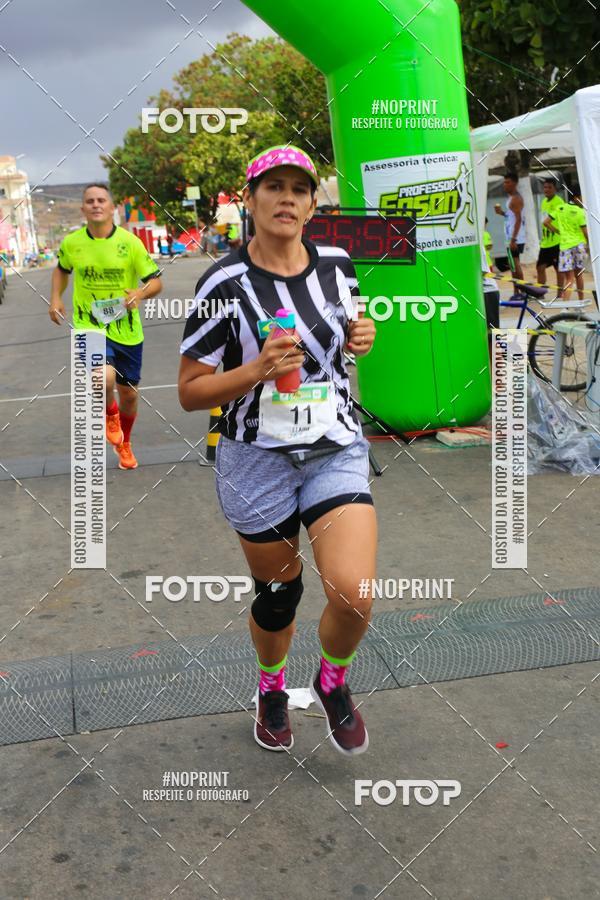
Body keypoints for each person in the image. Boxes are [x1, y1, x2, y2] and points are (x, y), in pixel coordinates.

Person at [179, 145, 377, 756]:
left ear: (314, 204)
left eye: (300, 188)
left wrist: (360, 339)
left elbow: (346, 339)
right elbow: (190, 391)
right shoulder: (224, 283)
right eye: (274, 187)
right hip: (255, 460)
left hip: (333, 448)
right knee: (280, 593)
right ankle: (270, 688)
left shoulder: (338, 264)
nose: (287, 198)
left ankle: (331, 680)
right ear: (252, 198)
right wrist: (257, 370)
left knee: (354, 591)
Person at [49, 183, 162, 469]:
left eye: (101, 200)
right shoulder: (72, 243)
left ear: (113, 208)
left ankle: (125, 443)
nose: (96, 204)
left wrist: (140, 293)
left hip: (126, 329)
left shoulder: (131, 243)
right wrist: (55, 298)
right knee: (103, 378)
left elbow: (155, 281)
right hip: (89, 324)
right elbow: (61, 270)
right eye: (90, 201)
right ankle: (109, 413)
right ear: (83, 209)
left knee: (130, 394)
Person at [544, 185, 589, 301]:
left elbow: (546, 222)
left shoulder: (560, 208)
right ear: (576, 198)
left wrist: (558, 232)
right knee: (579, 275)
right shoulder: (580, 211)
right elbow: (585, 232)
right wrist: (589, 246)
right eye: (582, 198)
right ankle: (581, 302)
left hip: (564, 246)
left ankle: (565, 306)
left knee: (569, 278)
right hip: (578, 245)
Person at [494, 172, 526, 281]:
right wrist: (501, 213)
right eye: (504, 182)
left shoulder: (516, 199)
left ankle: (522, 290)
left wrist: (513, 239)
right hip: (510, 237)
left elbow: (518, 219)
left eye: (508, 182)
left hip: (515, 238)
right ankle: (517, 290)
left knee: (515, 264)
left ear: (515, 183)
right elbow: (511, 216)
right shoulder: (511, 198)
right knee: (512, 264)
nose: (505, 185)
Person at [536, 177, 563, 294]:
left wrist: (556, 231)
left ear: (555, 189)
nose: (546, 190)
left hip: (556, 242)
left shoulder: (558, 202)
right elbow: (544, 220)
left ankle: (560, 293)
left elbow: (555, 221)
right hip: (545, 242)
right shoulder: (543, 202)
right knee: (540, 267)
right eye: (545, 187)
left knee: (558, 269)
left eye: (549, 187)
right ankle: (540, 292)